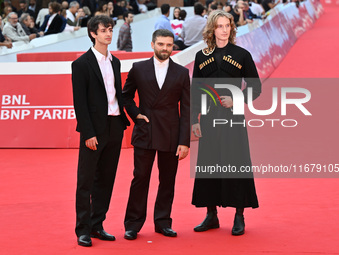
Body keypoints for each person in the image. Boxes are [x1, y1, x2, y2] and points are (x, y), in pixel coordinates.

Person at [191, 10, 261, 236]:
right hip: (209, 119)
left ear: (231, 28)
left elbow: (256, 87)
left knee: (236, 163)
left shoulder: (242, 55)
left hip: (233, 119)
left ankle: (239, 216)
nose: (223, 30)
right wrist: (194, 120)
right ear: (212, 29)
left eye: (227, 26)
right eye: (219, 26)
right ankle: (211, 215)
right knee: (209, 164)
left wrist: (236, 98)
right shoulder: (202, 56)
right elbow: (196, 90)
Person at [122, 29, 190, 240]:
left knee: (167, 180)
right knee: (140, 177)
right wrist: (137, 115)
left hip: (171, 132)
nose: (165, 49)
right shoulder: (138, 68)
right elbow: (125, 97)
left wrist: (184, 141)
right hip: (146, 130)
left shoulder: (181, 72)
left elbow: (187, 109)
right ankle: (133, 224)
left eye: (169, 45)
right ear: (152, 45)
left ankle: (163, 222)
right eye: (161, 44)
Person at [72, 15, 130, 247]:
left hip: (114, 127)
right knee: (86, 181)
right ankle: (83, 230)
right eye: (104, 30)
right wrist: (88, 133)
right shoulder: (81, 64)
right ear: (93, 34)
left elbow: (117, 95)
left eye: (110, 29)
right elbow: (80, 103)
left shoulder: (115, 62)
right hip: (93, 130)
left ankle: (98, 225)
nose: (109, 33)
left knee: (106, 180)